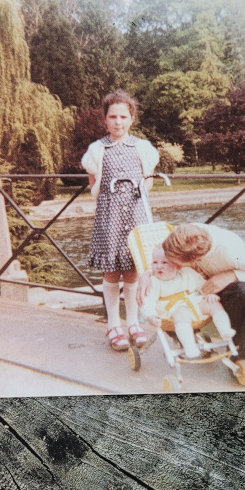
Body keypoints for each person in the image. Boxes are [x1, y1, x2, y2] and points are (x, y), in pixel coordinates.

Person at [81, 90, 160, 351]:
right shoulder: (98, 150)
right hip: (110, 215)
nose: (118, 122)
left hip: (136, 213)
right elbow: (95, 185)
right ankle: (113, 324)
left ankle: (133, 323)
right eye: (113, 117)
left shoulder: (142, 148)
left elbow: (148, 183)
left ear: (132, 119)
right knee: (112, 268)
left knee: (133, 267)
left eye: (123, 117)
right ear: (105, 120)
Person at [138, 223, 245, 361]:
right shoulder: (182, 235)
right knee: (173, 308)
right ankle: (186, 338)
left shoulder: (232, 252)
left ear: (198, 260)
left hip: (229, 285)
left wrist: (232, 275)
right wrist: (147, 274)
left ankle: (241, 355)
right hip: (196, 288)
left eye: (176, 263)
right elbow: (161, 258)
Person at [141, 245, 235, 358]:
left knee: (213, 304)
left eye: (164, 262)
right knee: (182, 312)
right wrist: (150, 315)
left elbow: (201, 284)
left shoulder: (187, 273)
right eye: (155, 262)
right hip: (172, 310)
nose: (159, 266)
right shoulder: (154, 282)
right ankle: (189, 346)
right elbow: (147, 301)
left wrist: (209, 293)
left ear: (177, 265)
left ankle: (224, 330)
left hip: (194, 303)